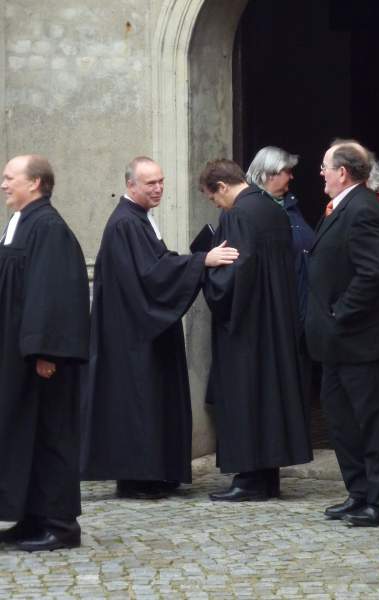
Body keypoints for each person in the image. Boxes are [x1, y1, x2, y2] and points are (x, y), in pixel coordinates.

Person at [81, 156, 238, 499]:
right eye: (150, 183)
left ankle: (157, 473)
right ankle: (137, 478)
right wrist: (202, 261)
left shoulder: (139, 219)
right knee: (139, 403)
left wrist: (192, 261)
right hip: (133, 334)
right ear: (130, 185)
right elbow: (150, 276)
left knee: (152, 401)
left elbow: (157, 264)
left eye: (161, 181)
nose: (158, 189)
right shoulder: (126, 223)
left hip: (142, 330)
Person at [305, 140, 379, 526]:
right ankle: (359, 492)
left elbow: (373, 272)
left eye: (325, 167)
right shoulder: (340, 206)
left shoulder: (362, 208)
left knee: (375, 423)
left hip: (361, 341)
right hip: (336, 344)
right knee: (342, 423)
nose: (321, 173)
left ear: (343, 172)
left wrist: (340, 312)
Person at [200, 159, 312, 502]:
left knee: (245, 395)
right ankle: (267, 477)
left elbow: (234, 272)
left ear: (222, 187)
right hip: (277, 319)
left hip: (247, 324)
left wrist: (205, 269)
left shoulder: (237, 215)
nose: (217, 205)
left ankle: (249, 478)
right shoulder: (273, 210)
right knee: (269, 396)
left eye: (213, 198)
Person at [0, 155, 90, 551]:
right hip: (18, 356)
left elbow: (53, 294)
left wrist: (46, 351)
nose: (4, 184)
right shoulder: (21, 222)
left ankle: (61, 525)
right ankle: (32, 516)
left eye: (9, 178)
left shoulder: (49, 228)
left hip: (42, 358)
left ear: (35, 183)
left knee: (51, 436)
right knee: (27, 437)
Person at [246, 146, 315, 322]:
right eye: (288, 172)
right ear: (271, 174)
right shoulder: (250, 209)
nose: (292, 177)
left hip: (303, 301)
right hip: (278, 309)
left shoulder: (290, 204)